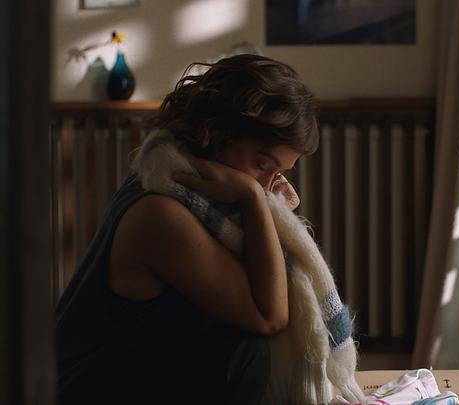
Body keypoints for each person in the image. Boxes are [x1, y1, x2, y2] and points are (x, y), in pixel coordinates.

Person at [55, 54, 320, 405]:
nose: (271, 187)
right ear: (216, 132)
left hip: (126, 381)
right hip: (82, 392)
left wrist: (258, 195)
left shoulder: (174, 184)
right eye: (261, 165)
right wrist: (253, 198)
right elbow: (270, 317)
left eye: (279, 174)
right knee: (245, 350)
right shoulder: (161, 213)